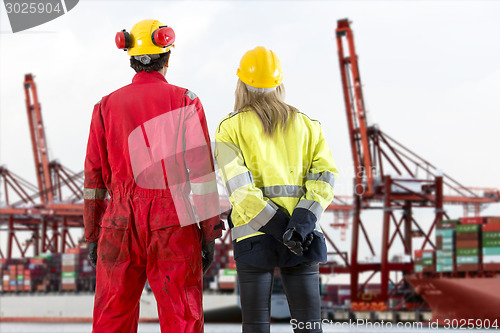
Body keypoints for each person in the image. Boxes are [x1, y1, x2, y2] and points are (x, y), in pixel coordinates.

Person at [83, 19, 223, 333]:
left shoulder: (104, 107)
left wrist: (93, 233)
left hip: (119, 223)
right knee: (182, 318)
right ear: (168, 57)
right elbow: (201, 171)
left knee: (111, 318)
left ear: (130, 58)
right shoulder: (186, 100)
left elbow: (93, 178)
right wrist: (209, 231)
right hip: (174, 220)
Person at [215, 46, 338, 333]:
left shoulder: (229, 129)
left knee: (255, 327)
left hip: (255, 237)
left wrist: (278, 227)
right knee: (309, 327)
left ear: (241, 83)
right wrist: (297, 227)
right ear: (280, 84)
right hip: (302, 237)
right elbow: (325, 179)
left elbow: (240, 190)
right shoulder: (309, 126)